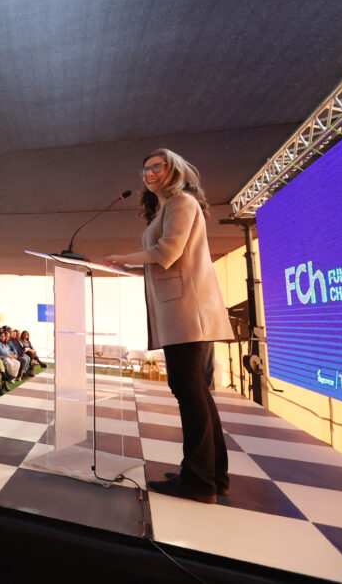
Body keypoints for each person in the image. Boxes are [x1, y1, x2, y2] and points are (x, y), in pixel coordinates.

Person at [104, 148, 234, 504]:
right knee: (196, 392)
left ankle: (198, 480)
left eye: (157, 167)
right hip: (180, 310)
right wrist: (131, 264)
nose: (149, 174)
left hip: (187, 311)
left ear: (174, 170)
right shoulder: (167, 208)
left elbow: (168, 253)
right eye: (145, 169)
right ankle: (213, 476)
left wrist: (123, 259)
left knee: (189, 391)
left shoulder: (181, 203)